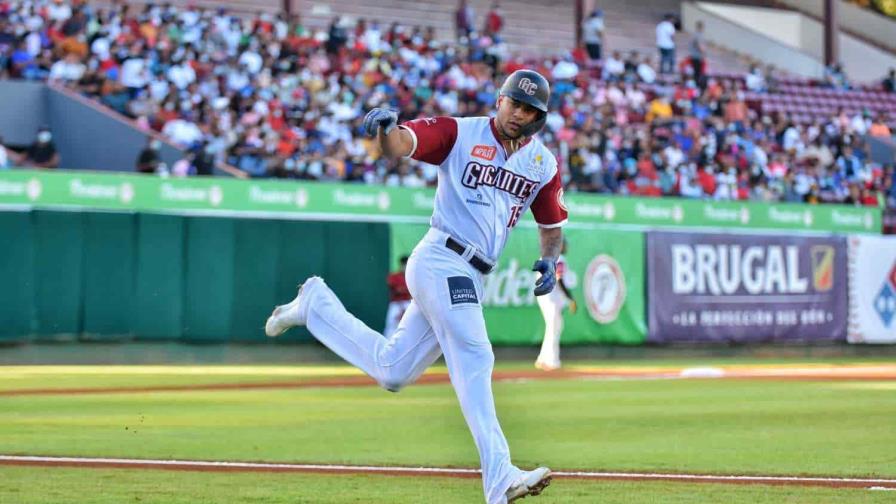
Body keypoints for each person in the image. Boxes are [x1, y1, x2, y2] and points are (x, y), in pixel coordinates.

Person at [264, 69, 566, 504]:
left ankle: (315, 306)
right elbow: (402, 145)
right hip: (442, 258)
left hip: (474, 273)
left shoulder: (542, 163)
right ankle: (499, 476)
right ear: (499, 99)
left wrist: (550, 259)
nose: (520, 113)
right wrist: (387, 131)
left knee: (393, 370)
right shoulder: (459, 133)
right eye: (514, 103)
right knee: (476, 353)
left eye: (531, 109)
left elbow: (552, 223)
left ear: (541, 117)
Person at [535, 238, 576, 371]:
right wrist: (570, 298)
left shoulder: (546, 257)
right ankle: (552, 361)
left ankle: (543, 358)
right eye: (564, 245)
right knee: (554, 327)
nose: (566, 247)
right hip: (550, 298)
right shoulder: (559, 258)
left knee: (553, 327)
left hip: (544, 296)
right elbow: (560, 279)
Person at [384, 255, 412, 338]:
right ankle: (386, 344)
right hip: (396, 304)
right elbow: (396, 290)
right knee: (391, 326)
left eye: (407, 264)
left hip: (409, 303)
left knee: (410, 326)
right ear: (401, 265)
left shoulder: (411, 276)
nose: (405, 266)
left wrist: (403, 290)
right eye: (404, 264)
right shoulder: (394, 276)